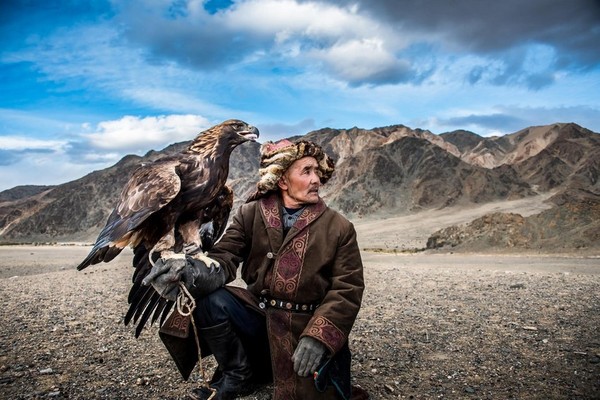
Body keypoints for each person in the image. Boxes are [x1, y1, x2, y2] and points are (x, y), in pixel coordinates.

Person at [147, 139, 367, 400]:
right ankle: (237, 375)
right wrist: (189, 272)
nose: (316, 179)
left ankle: (287, 361)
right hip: (258, 319)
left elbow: (347, 288)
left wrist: (319, 337)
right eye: (306, 171)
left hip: (303, 330)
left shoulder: (339, 227)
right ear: (282, 180)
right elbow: (223, 257)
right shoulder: (250, 214)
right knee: (211, 298)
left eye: (317, 171)